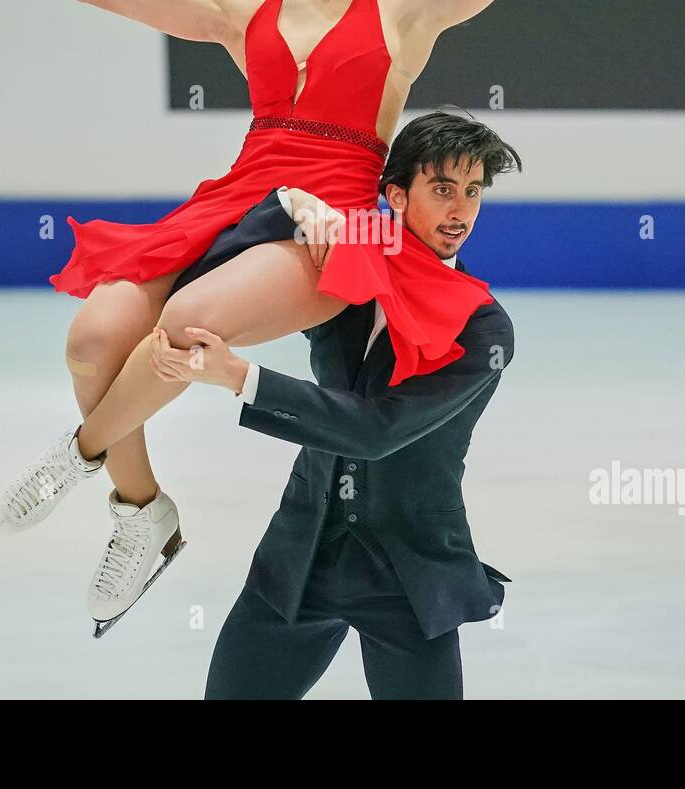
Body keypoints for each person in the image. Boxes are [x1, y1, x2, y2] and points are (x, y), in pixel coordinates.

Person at [0, 0, 685, 635]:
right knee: (95, 333)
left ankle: (76, 454)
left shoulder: (408, 7)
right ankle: (140, 511)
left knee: (185, 325)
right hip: (236, 195)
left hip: (327, 219)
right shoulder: (242, 12)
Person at [147, 110, 522, 699]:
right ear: (395, 195)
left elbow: (379, 430)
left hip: (408, 573)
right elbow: (246, 254)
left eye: (473, 192)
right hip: (301, 555)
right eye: (443, 188)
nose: (460, 211)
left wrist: (241, 377)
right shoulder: (348, 278)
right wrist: (293, 204)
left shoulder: (483, 330)